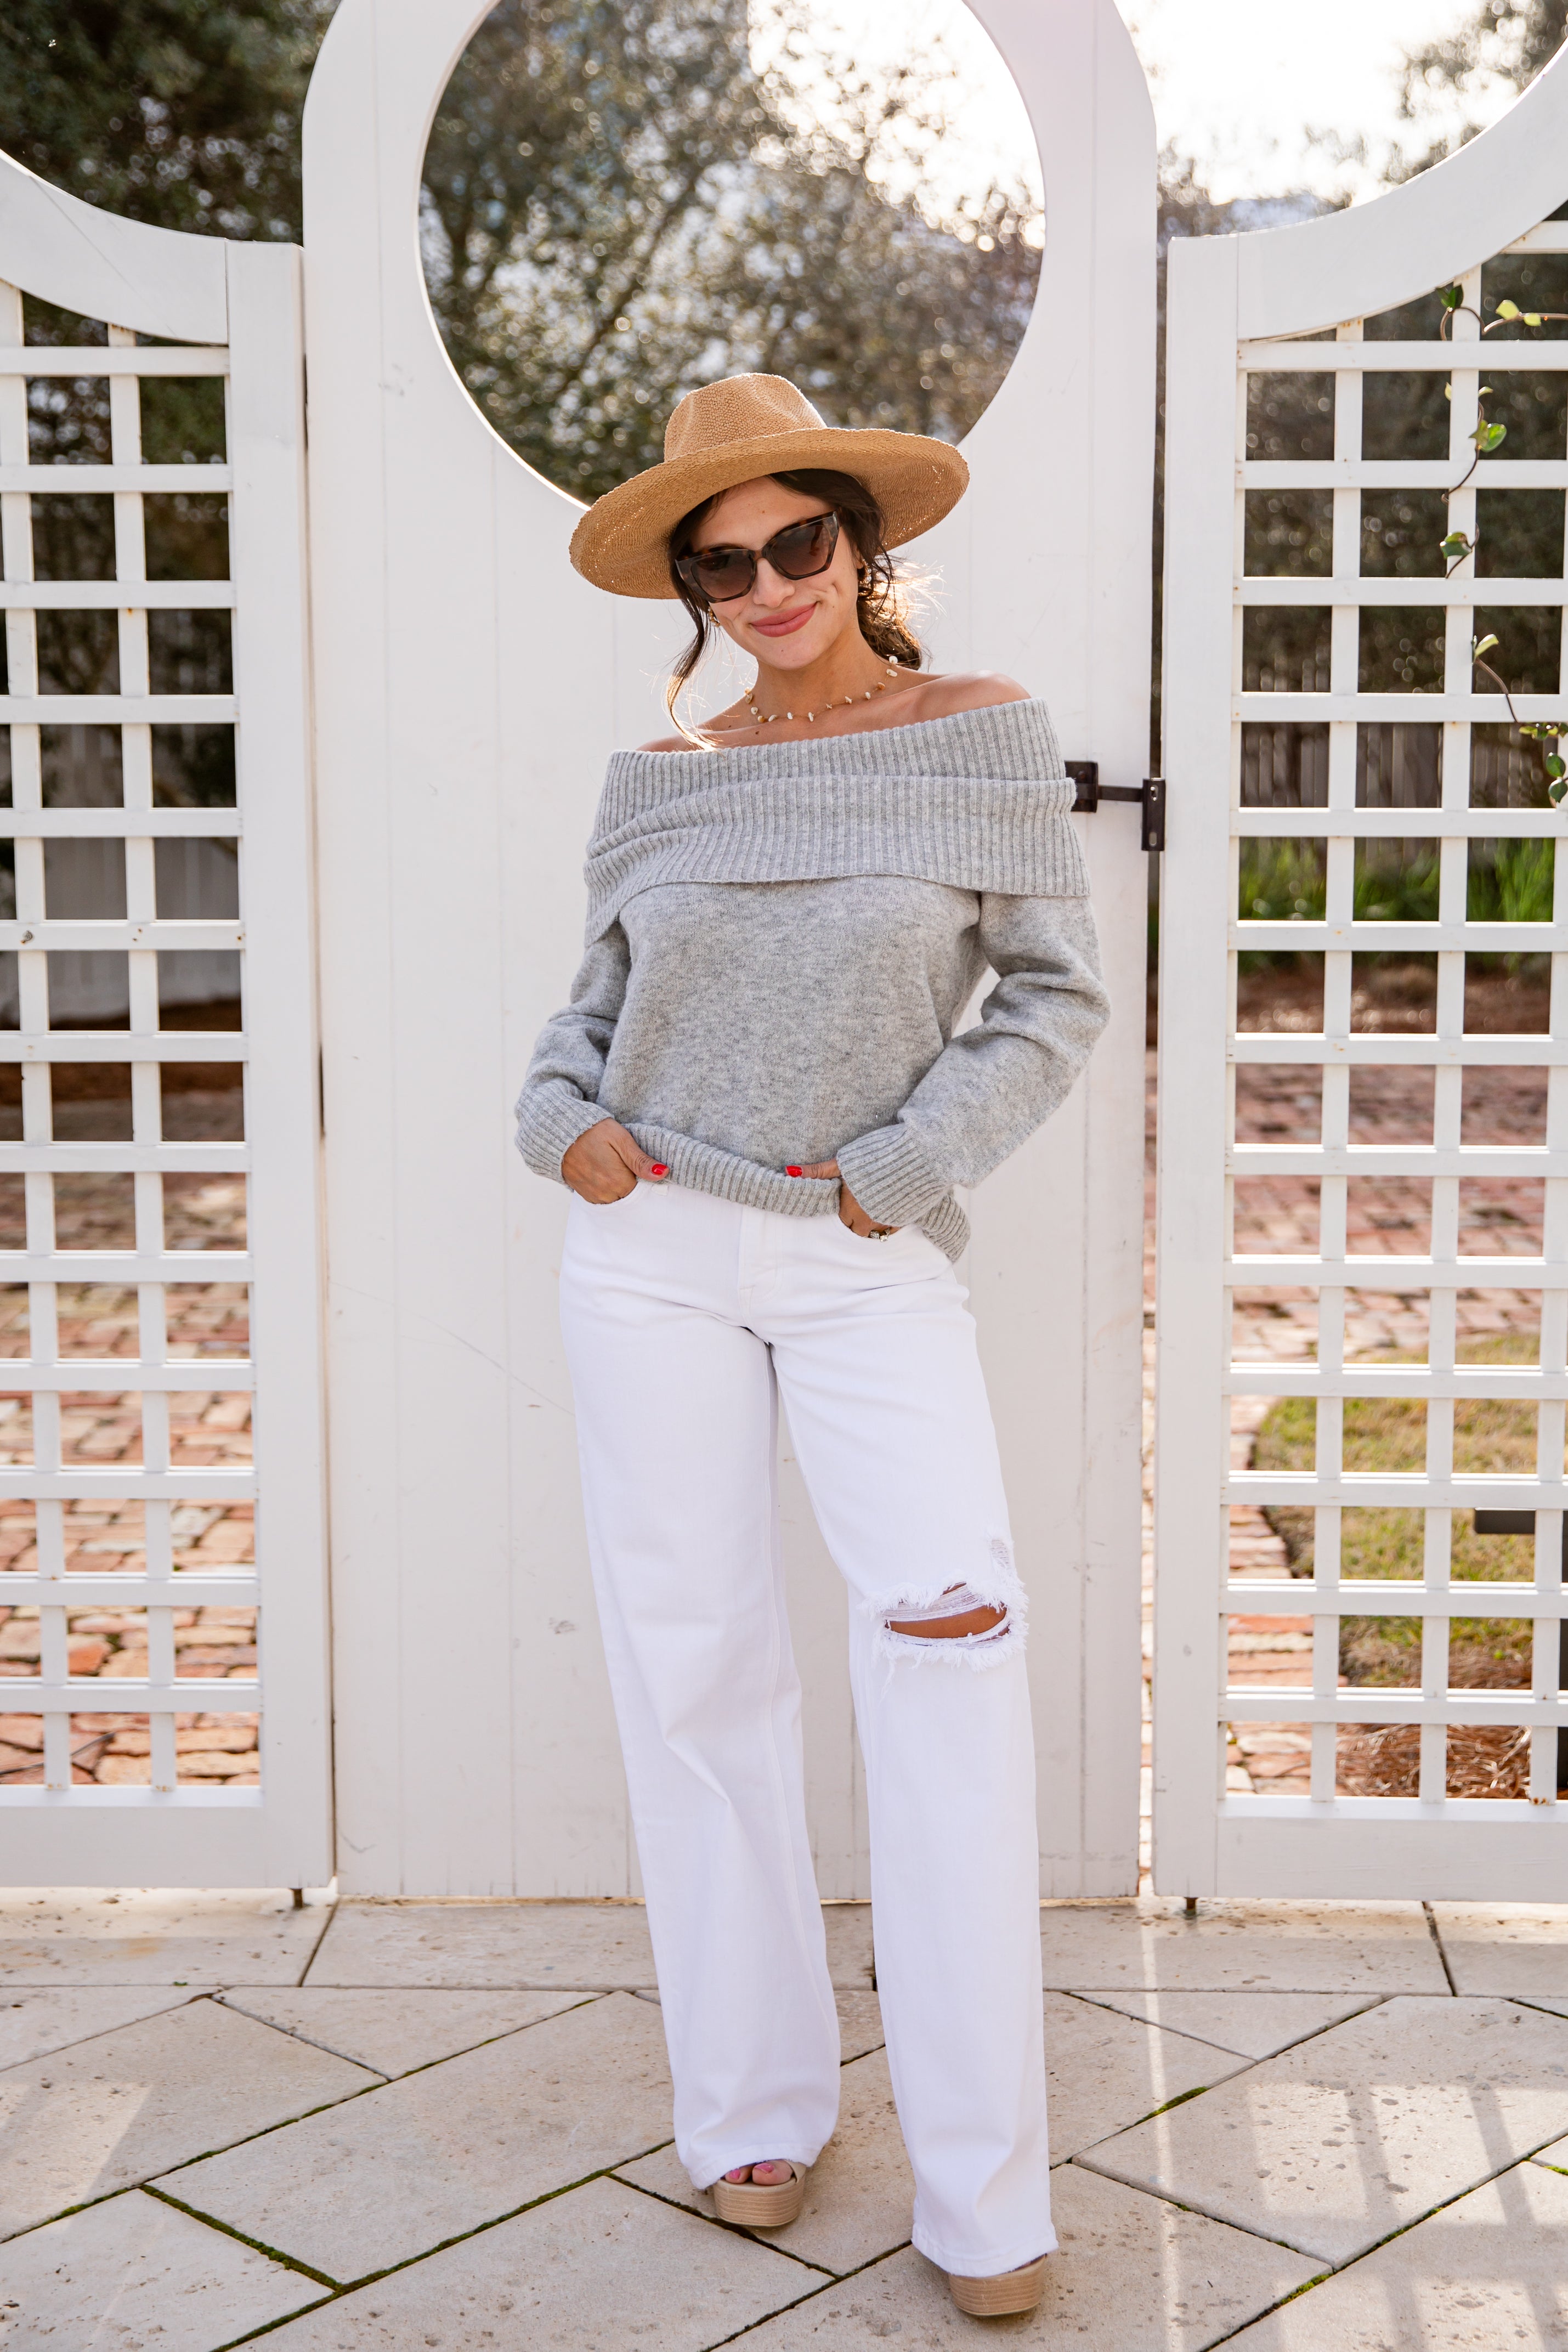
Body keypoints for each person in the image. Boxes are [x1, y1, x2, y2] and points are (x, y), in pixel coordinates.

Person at [516, 373, 1110, 2320]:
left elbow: (1048, 997)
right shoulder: (660, 776)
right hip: (648, 1247)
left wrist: (899, 1167)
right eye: (723, 561)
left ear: (862, 546)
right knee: (696, 1678)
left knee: (946, 1657)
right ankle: (754, 2108)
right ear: (689, 585)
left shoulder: (980, 739)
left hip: (863, 1258)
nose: (767, 582)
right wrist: (560, 1127)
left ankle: (985, 2191)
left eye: (798, 542)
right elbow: (583, 1016)